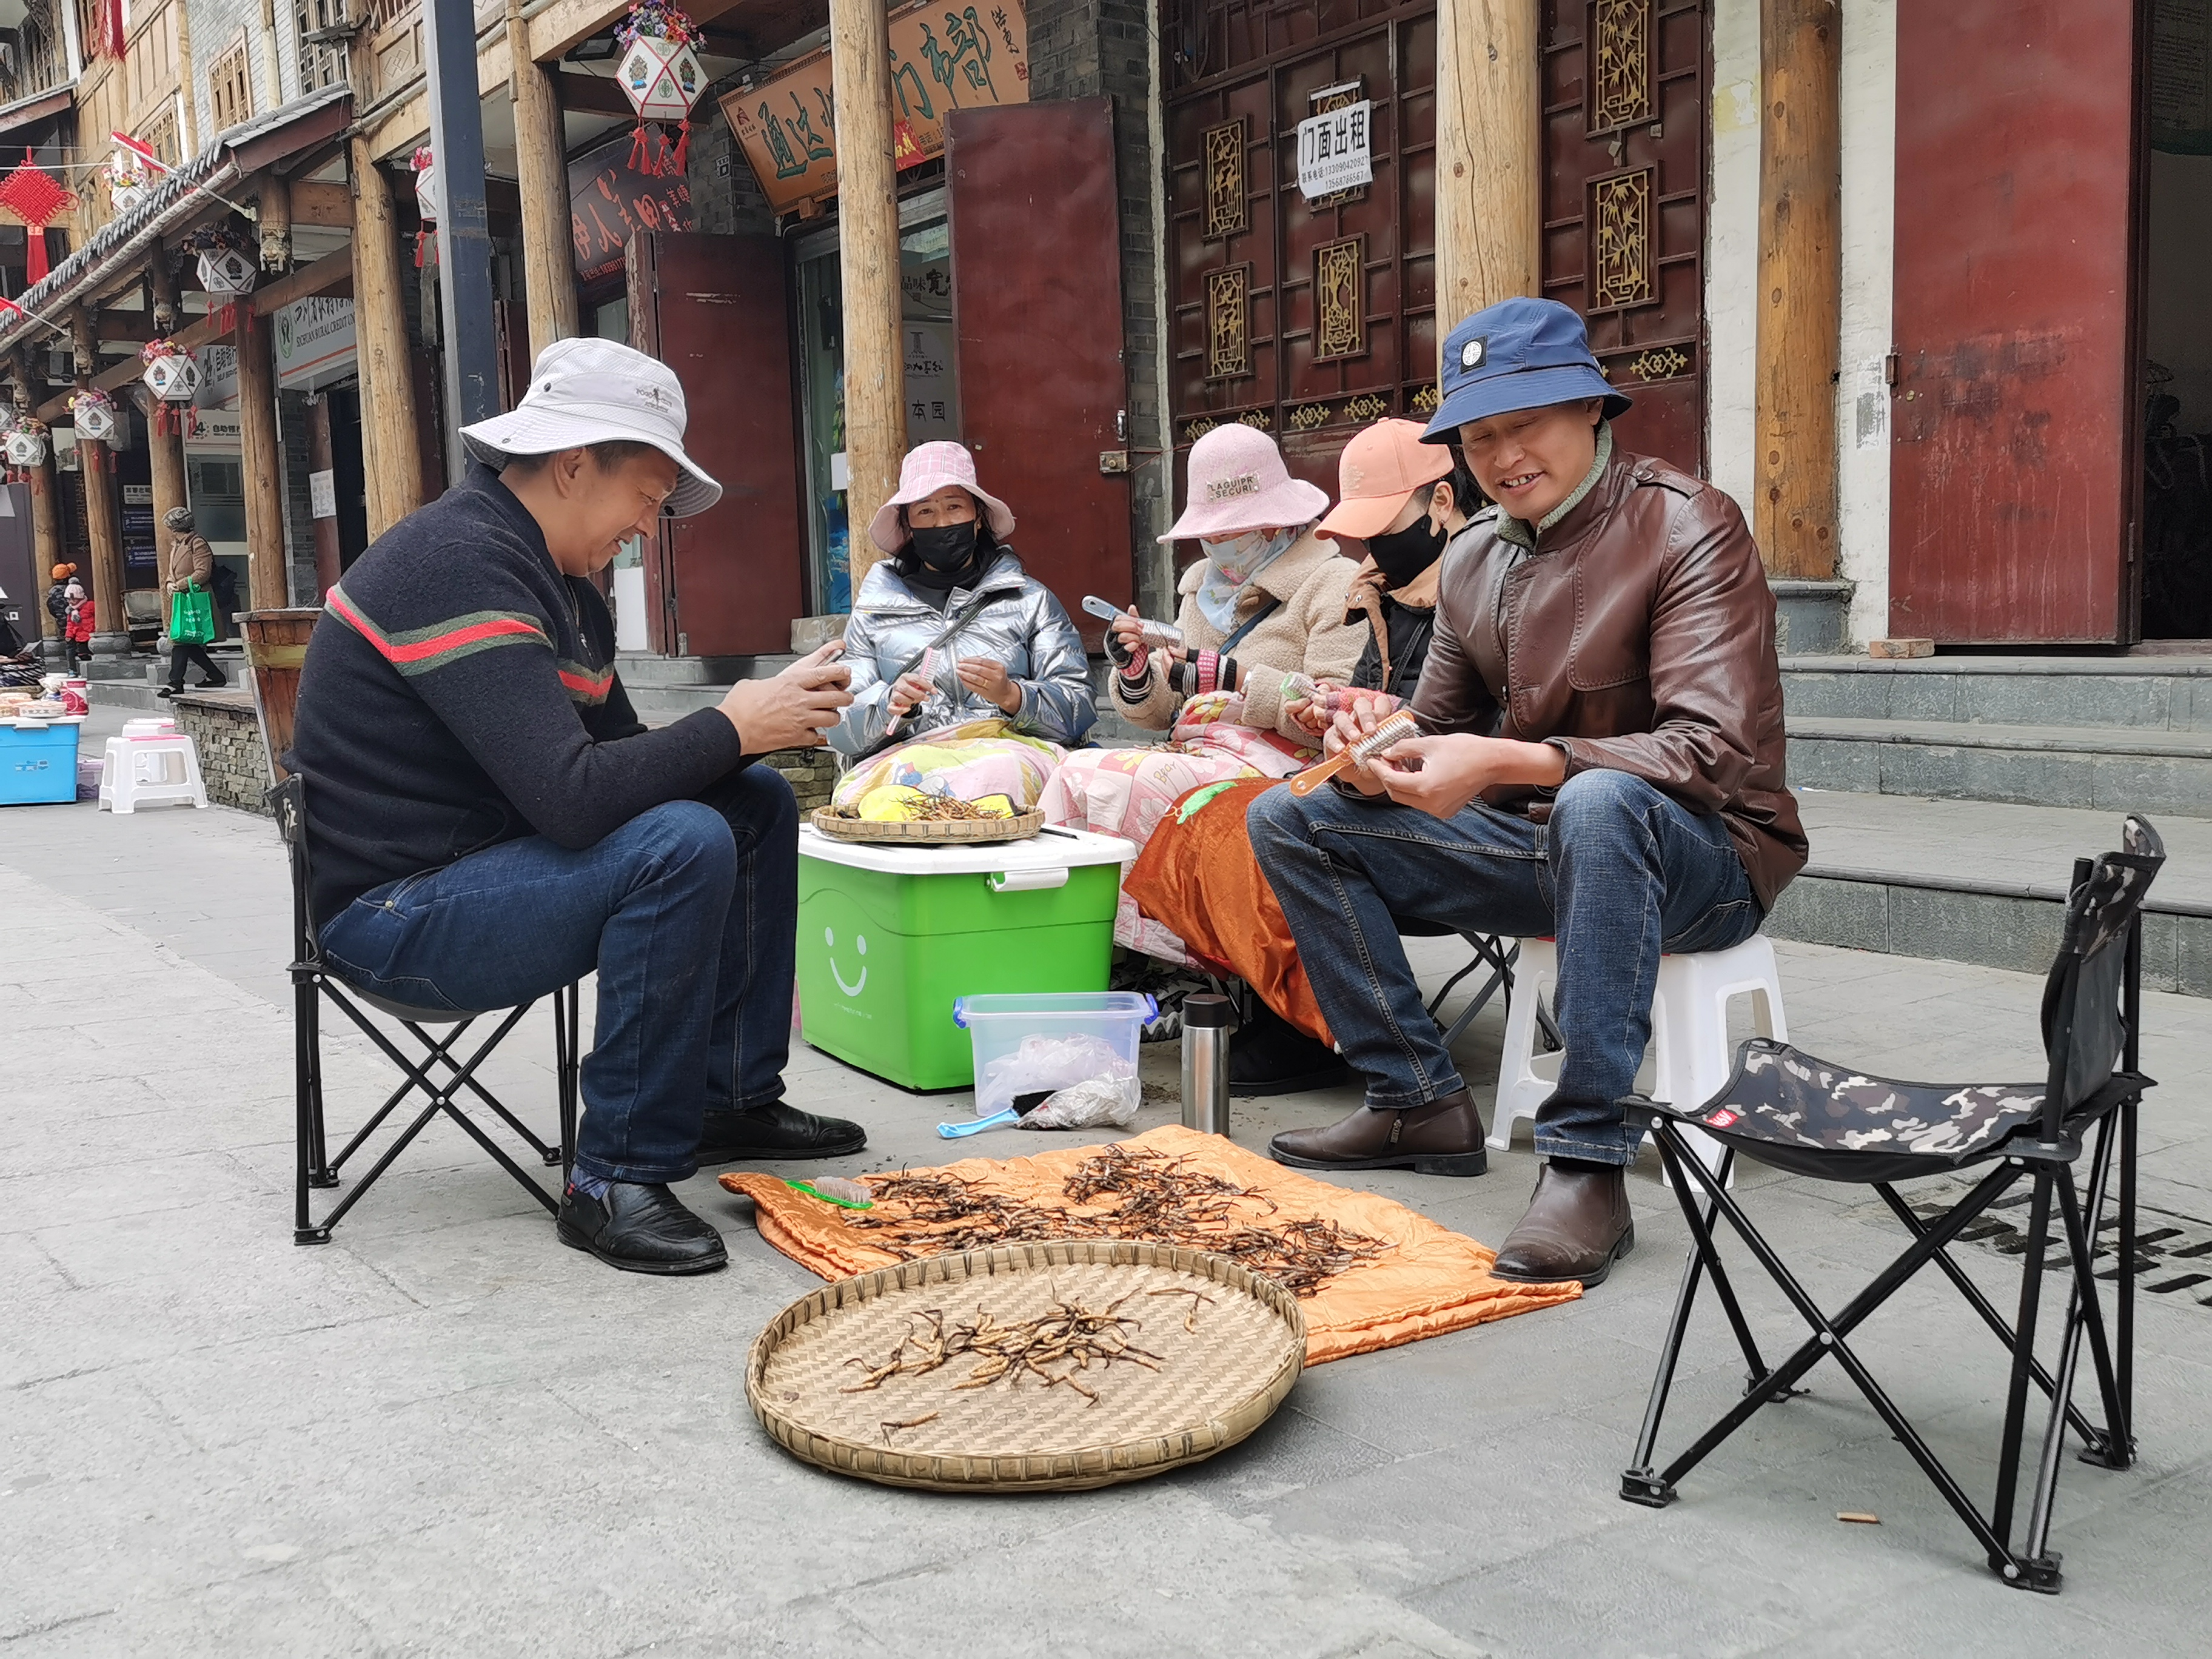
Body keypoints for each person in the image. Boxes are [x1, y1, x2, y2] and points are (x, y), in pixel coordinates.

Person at [1250, 297, 1807, 1289]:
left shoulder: (1687, 525)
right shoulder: (1474, 554)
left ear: (1591, 408)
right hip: (1550, 848)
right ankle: (1416, 1099)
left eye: (1526, 424)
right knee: (1292, 815)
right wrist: (1376, 743)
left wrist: (1506, 763)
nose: (1503, 456)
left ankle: (1587, 1162)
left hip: (1707, 858)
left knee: (1601, 804)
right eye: (1479, 438)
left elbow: (1711, 753)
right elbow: (1434, 723)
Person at [285, 337, 863, 1278]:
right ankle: (611, 1178)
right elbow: (574, 798)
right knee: (680, 841)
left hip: (486, 875)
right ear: (573, 464)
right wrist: (730, 722)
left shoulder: (563, 590)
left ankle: (726, 1098)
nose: (649, 527)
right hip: (391, 917)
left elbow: (629, 763)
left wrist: (753, 731)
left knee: (748, 801)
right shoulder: (458, 560)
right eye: (647, 496)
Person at [1121, 418, 1481, 1092]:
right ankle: (1264, 999)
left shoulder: (1473, 591)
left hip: (1450, 802)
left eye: (1382, 526)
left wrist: (1287, 701)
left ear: (1440, 502)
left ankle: (1325, 1025)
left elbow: (1436, 719)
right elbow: (1371, 701)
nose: (1371, 546)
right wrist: (1340, 717)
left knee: (1260, 815)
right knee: (1214, 810)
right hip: (1369, 777)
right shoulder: (1381, 588)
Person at [1041, 423, 1364, 962]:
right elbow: (1165, 711)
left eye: (1236, 529)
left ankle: (1168, 948)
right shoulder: (1202, 587)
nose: (1221, 545)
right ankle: (1082, 944)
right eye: (1212, 533)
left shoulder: (1335, 582)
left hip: (1289, 764)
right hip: (1200, 749)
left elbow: (1338, 712)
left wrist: (1237, 681)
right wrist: (1138, 673)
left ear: (1278, 520)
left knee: (1113, 781)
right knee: (1074, 773)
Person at [826, 443, 1091, 811]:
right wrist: (891, 705)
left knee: (999, 776)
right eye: (925, 511)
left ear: (978, 516)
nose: (942, 523)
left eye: (954, 507)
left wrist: (1013, 696)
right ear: (908, 525)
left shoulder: (1031, 600)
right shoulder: (874, 611)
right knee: (885, 801)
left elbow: (1079, 704)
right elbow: (840, 725)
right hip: (909, 759)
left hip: (1011, 753)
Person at [158, 507, 227, 699]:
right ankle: (216, 676)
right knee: (187, 639)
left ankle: (175, 683)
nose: (171, 531)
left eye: (171, 527)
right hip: (182, 598)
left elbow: (203, 572)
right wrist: (170, 583)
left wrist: (180, 585)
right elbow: (173, 571)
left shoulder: (197, 543)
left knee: (181, 640)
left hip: (195, 597)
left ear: (176, 528)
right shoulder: (177, 545)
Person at [61, 578, 93, 674]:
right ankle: (72, 669)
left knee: (87, 655)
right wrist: (69, 635)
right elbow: (70, 624)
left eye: (74, 599)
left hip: (90, 635)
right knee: (71, 649)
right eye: (69, 599)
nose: (71, 601)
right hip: (79, 636)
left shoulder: (90, 605)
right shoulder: (71, 611)